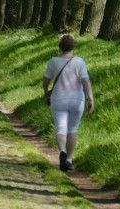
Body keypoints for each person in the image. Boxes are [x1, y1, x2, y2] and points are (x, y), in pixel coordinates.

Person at [42, 33, 95, 172]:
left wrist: (46, 92)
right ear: (74, 46)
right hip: (77, 100)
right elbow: (86, 81)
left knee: (60, 128)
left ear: (60, 47)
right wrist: (91, 98)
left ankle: (62, 153)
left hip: (58, 99)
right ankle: (69, 160)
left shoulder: (53, 61)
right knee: (72, 130)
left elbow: (46, 80)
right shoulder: (79, 62)